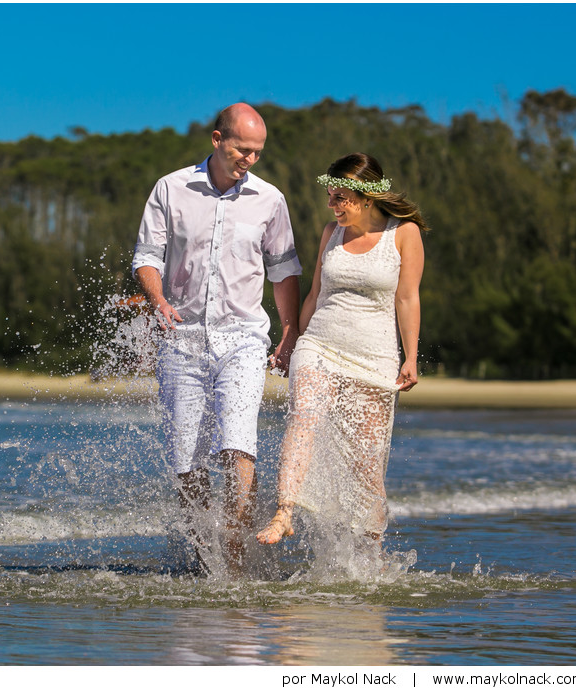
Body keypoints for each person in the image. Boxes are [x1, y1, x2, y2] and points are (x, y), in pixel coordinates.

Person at [131, 103, 303, 573]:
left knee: (237, 444)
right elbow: (146, 255)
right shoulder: (171, 188)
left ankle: (235, 558)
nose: (249, 159)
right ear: (216, 139)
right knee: (185, 458)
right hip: (181, 338)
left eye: (257, 152)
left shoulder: (270, 200)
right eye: (242, 149)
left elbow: (283, 271)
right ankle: (202, 559)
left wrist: (289, 332)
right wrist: (157, 299)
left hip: (243, 338)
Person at [256, 152, 427, 547]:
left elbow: (407, 300)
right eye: (330, 195)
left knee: (366, 465)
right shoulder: (330, 233)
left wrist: (411, 357)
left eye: (341, 198)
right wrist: (292, 339)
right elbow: (316, 292)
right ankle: (284, 512)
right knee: (304, 416)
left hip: (374, 357)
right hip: (320, 345)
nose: (332, 205)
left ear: (368, 198)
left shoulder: (404, 234)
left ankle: (370, 550)